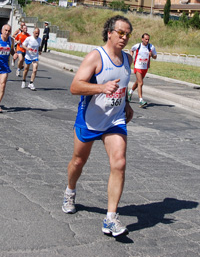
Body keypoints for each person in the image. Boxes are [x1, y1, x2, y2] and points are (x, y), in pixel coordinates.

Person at [62, 15, 134, 237]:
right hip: (91, 118)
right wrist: (101, 88)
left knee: (119, 162)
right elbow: (75, 87)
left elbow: (121, 85)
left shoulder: (128, 59)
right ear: (110, 32)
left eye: (128, 34)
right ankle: (70, 191)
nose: (124, 37)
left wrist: (127, 104)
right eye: (121, 33)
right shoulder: (96, 57)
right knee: (78, 161)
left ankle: (111, 218)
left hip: (114, 119)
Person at [128, 33, 157, 107]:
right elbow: (131, 50)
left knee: (138, 82)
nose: (147, 41)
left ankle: (130, 92)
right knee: (141, 83)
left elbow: (155, 56)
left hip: (145, 67)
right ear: (142, 39)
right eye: (146, 39)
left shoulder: (151, 47)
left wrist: (152, 55)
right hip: (137, 66)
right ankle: (141, 100)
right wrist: (131, 57)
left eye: (148, 39)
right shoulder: (138, 46)